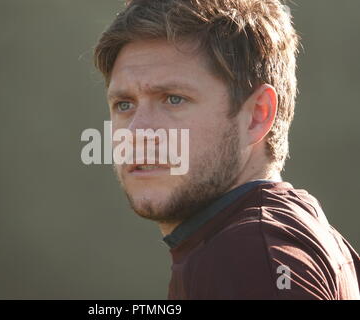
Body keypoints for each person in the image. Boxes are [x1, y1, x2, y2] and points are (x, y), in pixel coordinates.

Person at [93, 0, 360, 299]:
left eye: (173, 99)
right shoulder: (279, 239)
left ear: (257, 115)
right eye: (124, 105)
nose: (136, 133)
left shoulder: (252, 254)